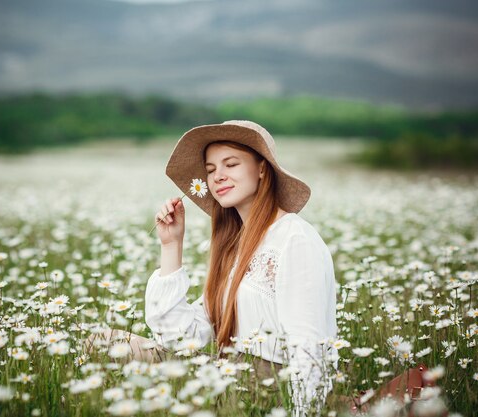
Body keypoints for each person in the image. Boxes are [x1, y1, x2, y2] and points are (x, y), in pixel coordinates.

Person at [86, 120, 338, 415]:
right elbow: (180, 338)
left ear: (261, 169)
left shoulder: (294, 238)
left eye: (230, 164)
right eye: (210, 170)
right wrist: (171, 246)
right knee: (102, 342)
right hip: (226, 376)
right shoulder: (234, 247)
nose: (218, 176)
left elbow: (308, 346)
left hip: (270, 391)